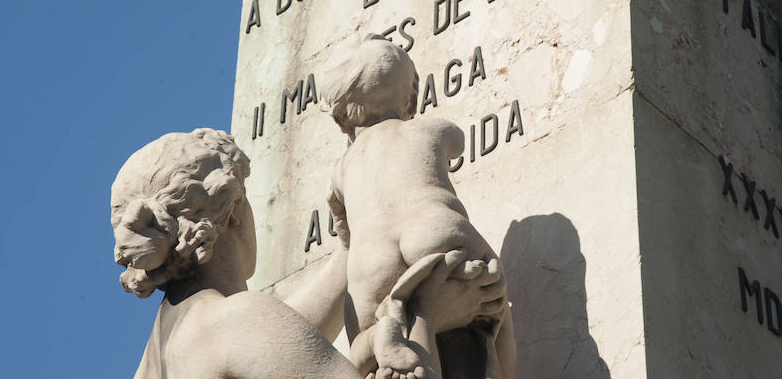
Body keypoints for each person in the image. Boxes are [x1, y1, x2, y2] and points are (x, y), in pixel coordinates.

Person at [111, 128, 505, 379]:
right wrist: (426, 314)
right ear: (232, 213)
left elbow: (283, 343)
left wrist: (347, 254)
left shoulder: (160, 357)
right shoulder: (236, 322)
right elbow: (265, 336)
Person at [321, 36, 516, 379]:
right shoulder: (425, 128)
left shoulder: (341, 168)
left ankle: (381, 337)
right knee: (492, 309)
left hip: (370, 261)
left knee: (358, 348)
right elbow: (455, 141)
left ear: (341, 118)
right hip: (435, 228)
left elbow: (342, 223)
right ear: (410, 96)